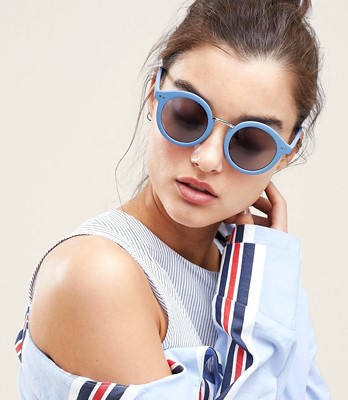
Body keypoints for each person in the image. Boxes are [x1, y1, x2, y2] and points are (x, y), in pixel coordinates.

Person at [14, 0, 330, 398]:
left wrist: (267, 276)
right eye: (188, 115)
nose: (207, 159)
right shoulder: (96, 277)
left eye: (251, 141)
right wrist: (264, 306)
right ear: (153, 94)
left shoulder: (257, 278)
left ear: (288, 153)